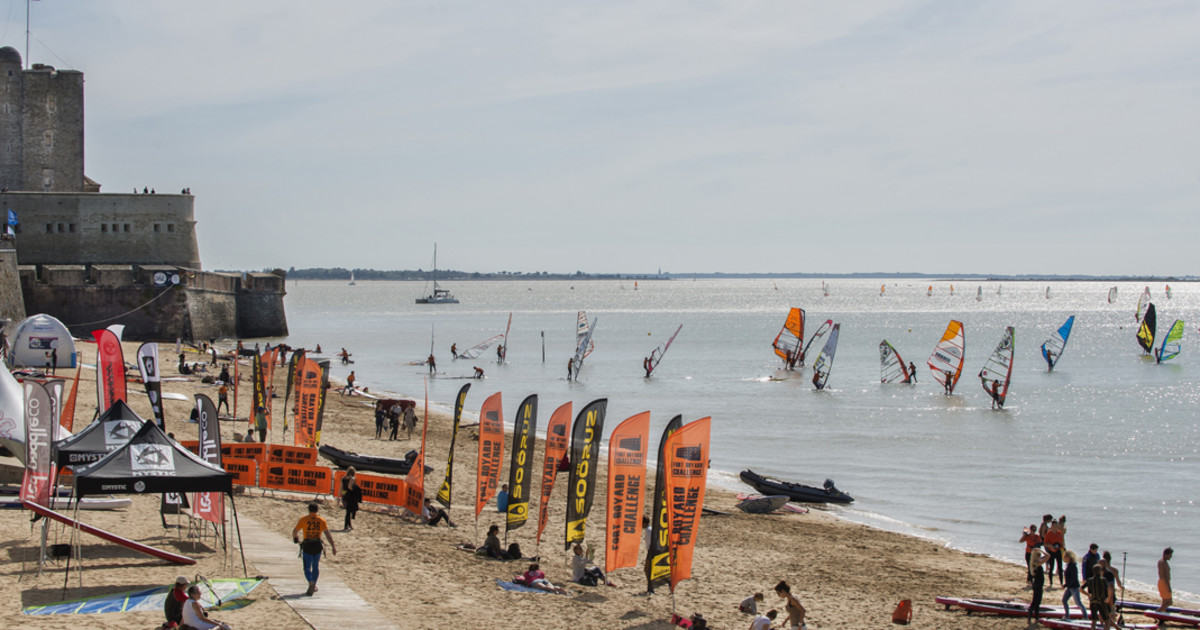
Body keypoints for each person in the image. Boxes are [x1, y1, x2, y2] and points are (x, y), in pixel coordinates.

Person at [292, 502, 337, 596]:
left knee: (307, 567)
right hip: (317, 545)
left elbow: (295, 531)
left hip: (308, 544)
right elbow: (328, 534)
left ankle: (310, 581)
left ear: (309, 510)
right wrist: (333, 546)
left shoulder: (304, 519)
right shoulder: (321, 520)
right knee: (315, 566)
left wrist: (296, 539)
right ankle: (314, 584)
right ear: (317, 510)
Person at [1062, 549, 1087, 621]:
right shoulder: (1069, 565)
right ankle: (1067, 615)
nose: (1065, 558)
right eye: (1065, 556)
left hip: (1074, 587)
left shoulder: (1072, 566)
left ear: (1070, 557)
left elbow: (1073, 578)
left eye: (1066, 556)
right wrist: (1065, 585)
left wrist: (1066, 585)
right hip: (1070, 587)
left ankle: (1085, 616)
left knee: (1078, 602)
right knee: (1064, 600)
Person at [1085, 564, 1112, 630]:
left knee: (1094, 621)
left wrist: (1088, 594)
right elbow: (1109, 589)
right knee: (1106, 620)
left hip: (1093, 601)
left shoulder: (1089, 580)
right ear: (1100, 571)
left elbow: (1081, 589)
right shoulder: (1103, 580)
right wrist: (1108, 598)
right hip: (1101, 601)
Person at [1028, 547, 1047, 624]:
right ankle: (1033, 617)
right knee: (1036, 601)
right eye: (1039, 555)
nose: (1040, 555)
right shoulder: (1037, 563)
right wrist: (1042, 550)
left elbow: (1045, 557)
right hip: (1038, 585)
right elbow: (1048, 556)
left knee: (1036, 601)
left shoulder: (1035, 562)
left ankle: (1034, 617)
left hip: (1037, 584)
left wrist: (1038, 551)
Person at [1043, 518, 1064, 585]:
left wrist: (1062, 546)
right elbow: (1045, 543)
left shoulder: (1059, 533)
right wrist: (1050, 546)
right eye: (1054, 525)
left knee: (1060, 567)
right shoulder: (1049, 533)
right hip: (1051, 551)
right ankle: (1051, 582)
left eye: (1056, 525)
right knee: (1051, 567)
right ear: (1052, 526)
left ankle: (1061, 583)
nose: (1055, 527)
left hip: (1058, 551)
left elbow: (1061, 542)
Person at [1158, 547, 1173, 612]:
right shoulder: (1162, 562)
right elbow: (1163, 576)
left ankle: (1160, 616)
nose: (1171, 557)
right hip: (1164, 583)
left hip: (1164, 582)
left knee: (1165, 603)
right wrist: (1168, 587)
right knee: (1169, 602)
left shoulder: (1163, 562)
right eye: (1170, 555)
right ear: (1165, 554)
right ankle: (1157, 613)